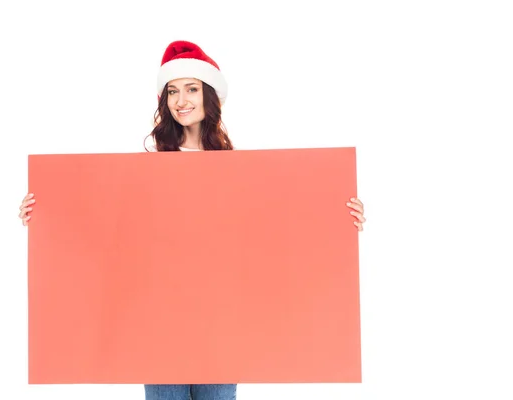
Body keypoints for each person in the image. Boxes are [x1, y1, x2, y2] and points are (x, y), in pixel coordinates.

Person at [18, 40, 367, 400]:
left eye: (191, 89)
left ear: (209, 96)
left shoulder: (239, 170)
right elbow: (106, 234)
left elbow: (276, 234)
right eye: (173, 91)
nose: (181, 100)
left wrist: (338, 221)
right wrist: (45, 216)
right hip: (158, 323)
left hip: (221, 323)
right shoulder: (145, 169)